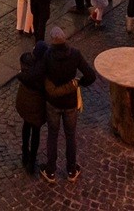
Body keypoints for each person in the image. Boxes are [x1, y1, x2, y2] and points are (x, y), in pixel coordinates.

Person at [39, 25, 96, 183]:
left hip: (53, 103)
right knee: (70, 136)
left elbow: (40, 73)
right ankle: (71, 170)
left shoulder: (48, 55)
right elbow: (90, 75)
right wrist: (79, 83)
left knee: (52, 135)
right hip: (70, 103)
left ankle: (51, 171)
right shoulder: (75, 54)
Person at [15, 42, 49, 175]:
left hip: (25, 101)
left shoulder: (26, 62)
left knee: (26, 126)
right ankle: (32, 161)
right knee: (35, 132)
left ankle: (25, 153)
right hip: (37, 104)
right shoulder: (43, 70)